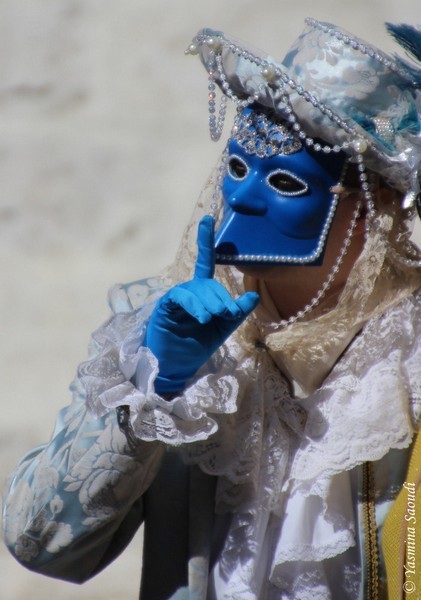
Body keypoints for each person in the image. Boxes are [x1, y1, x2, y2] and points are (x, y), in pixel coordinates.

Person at [3, 17, 421, 599]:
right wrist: (157, 388)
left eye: (286, 182)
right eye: (236, 167)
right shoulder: (167, 330)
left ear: (369, 211)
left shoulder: (408, 364)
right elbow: (40, 543)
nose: (244, 196)